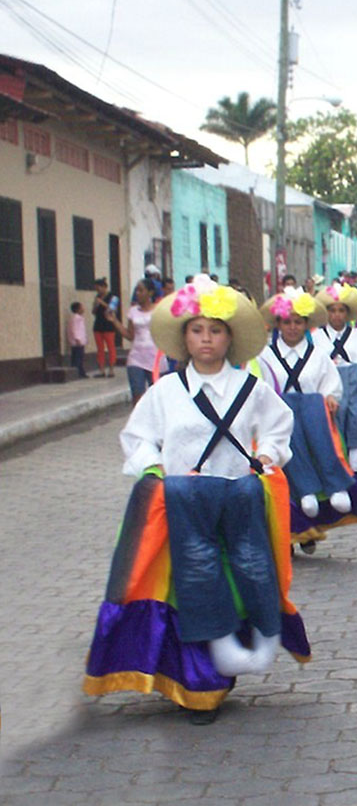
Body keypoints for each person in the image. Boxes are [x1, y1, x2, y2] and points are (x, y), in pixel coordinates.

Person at [83, 275, 309, 724]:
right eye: (197, 330)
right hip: (182, 505)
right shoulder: (165, 392)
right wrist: (155, 469)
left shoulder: (251, 390)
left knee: (247, 573)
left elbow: (280, 427)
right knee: (191, 585)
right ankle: (198, 684)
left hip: (240, 501)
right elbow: (138, 437)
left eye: (216, 330)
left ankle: (243, 656)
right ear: (184, 338)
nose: (206, 339)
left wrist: (265, 455)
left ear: (230, 338)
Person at [258, 288, 357, 529]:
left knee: (317, 423)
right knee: (289, 434)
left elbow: (331, 383)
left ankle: (335, 484)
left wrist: (330, 398)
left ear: (306, 325)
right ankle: (305, 490)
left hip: (314, 412)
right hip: (283, 412)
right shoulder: (266, 356)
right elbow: (261, 388)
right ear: (278, 324)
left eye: (298, 322)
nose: (292, 327)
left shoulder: (318, 355)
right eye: (287, 322)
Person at [313, 282, 357, 474]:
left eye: (341, 310)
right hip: (327, 385)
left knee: (351, 387)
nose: (337, 315)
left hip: (352, 382)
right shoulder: (317, 337)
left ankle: (356, 449)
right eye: (332, 310)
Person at [108, 279, 162, 404]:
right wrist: (114, 321)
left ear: (150, 292)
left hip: (155, 359)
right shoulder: (133, 311)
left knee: (158, 396)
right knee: (137, 396)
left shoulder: (158, 310)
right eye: (136, 290)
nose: (137, 293)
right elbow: (129, 335)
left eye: (141, 290)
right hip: (136, 358)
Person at [92, 277, 119, 377]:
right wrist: (95, 305)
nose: (98, 291)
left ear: (104, 287)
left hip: (109, 326)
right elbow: (93, 312)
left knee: (111, 347)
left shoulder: (113, 297)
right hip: (98, 325)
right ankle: (101, 369)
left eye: (99, 288)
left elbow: (112, 309)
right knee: (100, 349)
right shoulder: (97, 297)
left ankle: (111, 369)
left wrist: (102, 303)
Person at [67, 301, 88, 378]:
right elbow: (75, 329)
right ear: (78, 309)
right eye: (81, 307)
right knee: (78, 357)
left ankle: (80, 372)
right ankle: (78, 372)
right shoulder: (76, 318)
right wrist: (77, 338)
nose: (83, 309)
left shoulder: (79, 318)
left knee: (79, 357)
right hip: (77, 342)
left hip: (80, 341)